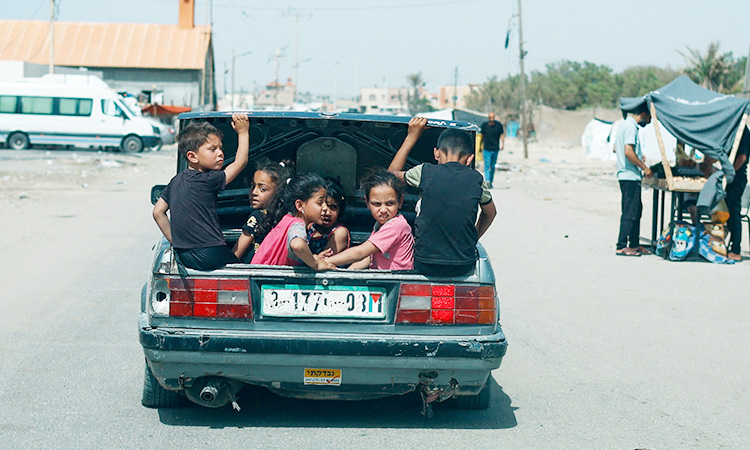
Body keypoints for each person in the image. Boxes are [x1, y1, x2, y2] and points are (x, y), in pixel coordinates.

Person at [388, 117, 496, 277]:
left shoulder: (424, 172)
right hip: (462, 265)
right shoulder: (476, 179)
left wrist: (411, 137)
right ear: (470, 159)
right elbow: (491, 213)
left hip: (424, 263)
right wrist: (472, 238)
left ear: (436, 153)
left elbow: (390, 177)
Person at [152, 113, 249, 271]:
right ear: (192, 157)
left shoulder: (175, 181)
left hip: (185, 256)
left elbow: (158, 212)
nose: (220, 153)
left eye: (220, 148)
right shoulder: (208, 180)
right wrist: (243, 132)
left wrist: (175, 242)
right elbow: (240, 162)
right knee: (245, 262)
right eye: (212, 149)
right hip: (211, 252)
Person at [325, 170, 414, 270]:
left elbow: (360, 252)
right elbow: (369, 257)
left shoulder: (396, 225)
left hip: (396, 281)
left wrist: (323, 262)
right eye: (377, 204)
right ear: (367, 202)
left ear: (400, 201)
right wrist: (348, 272)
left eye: (390, 203)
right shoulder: (380, 225)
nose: (383, 210)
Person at [250, 173, 335, 271]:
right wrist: (315, 264)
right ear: (300, 205)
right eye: (320, 202)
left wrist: (313, 258)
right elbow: (297, 245)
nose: (325, 208)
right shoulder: (297, 224)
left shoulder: (286, 220)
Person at [233, 159, 295, 263]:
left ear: (278, 192)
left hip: (251, 271)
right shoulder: (288, 218)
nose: (254, 192)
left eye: (262, 189)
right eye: (253, 186)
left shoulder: (256, 217)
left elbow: (236, 253)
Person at [614, 103, 653, 257]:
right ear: (643, 114)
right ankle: (621, 245)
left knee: (636, 210)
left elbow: (616, 148)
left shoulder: (624, 125)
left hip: (628, 175)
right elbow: (627, 151)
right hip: (629, 176)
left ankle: (634, 244)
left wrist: (637, 154)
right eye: (648, 119)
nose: (648, 122)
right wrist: (644, 167)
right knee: (630, 211)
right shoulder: (630, 127)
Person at [307, 177, 350, 256]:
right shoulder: (311, 227)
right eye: (321, 205)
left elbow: (324, 259)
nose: (327, 213)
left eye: (333, 207)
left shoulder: (339, 232)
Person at [726, 128, 749, 261]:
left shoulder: (743, 132)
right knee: (725, 211)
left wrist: (731, 172)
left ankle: (736, 249)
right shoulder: (731, 128)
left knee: (734, 211)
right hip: (729, 176)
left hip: (737, 177)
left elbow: (743, 157)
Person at [478, 112, 505, 188]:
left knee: (492, 166)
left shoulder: (498, 125)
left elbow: (502, 135)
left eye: (493, 118)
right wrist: (480, 146)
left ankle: (491, 181)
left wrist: (503, 144)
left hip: (495, 148)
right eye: (490, 118)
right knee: (487, 165)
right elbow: (482, 137)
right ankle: (487, 181)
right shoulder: (484, 126)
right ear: (488, 118)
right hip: (486, 149)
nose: (492, 120)